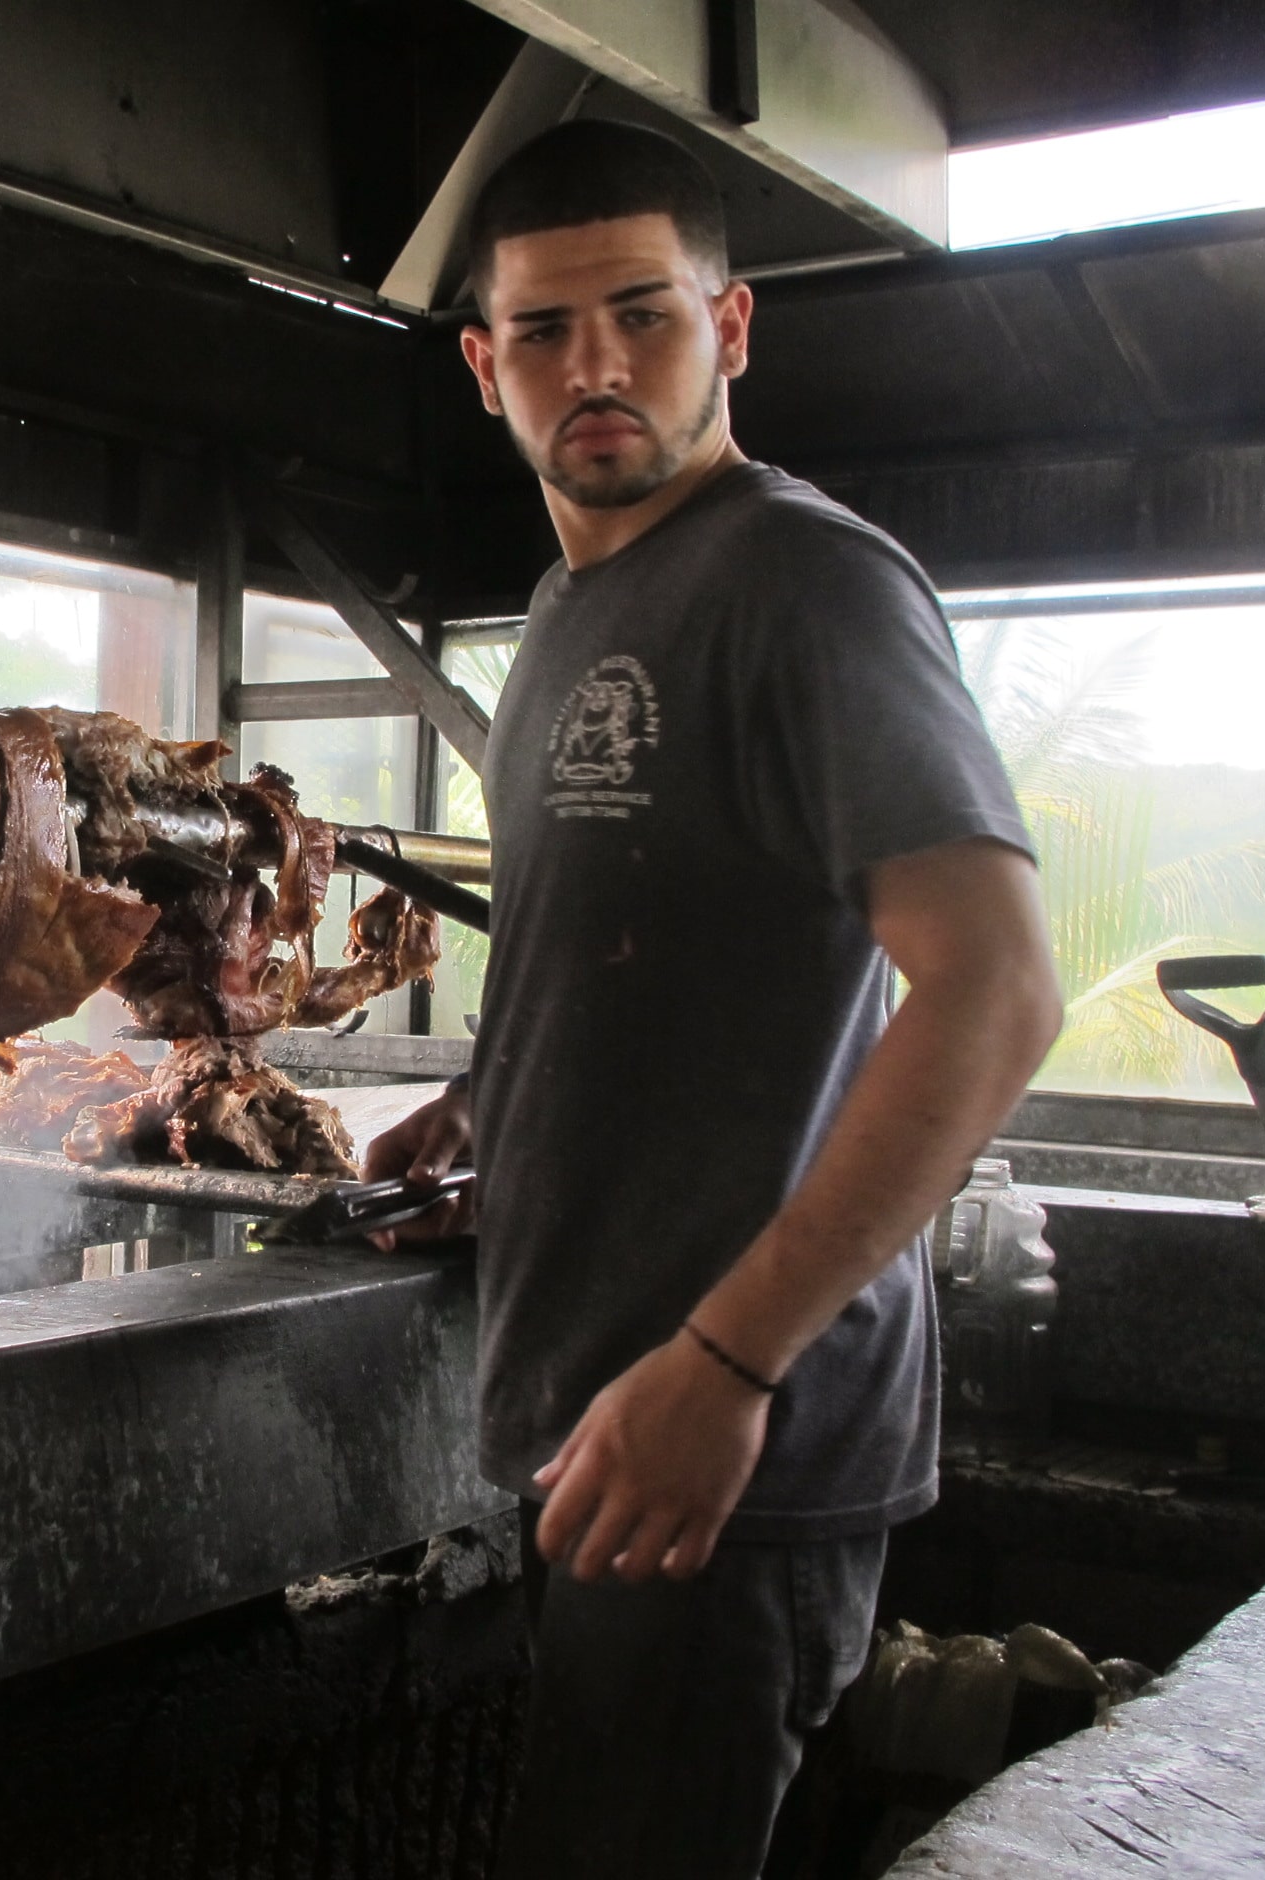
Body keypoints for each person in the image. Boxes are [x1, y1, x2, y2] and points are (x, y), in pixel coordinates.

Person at [362, 120, 1064, 1878]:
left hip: (725, 1447)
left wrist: (729, 1361)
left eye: (641, 314)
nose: (594, 366)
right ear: (485, 364)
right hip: (597, 1417)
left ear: (729, 329)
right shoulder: (569, 609)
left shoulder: (807, 586)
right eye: (544, 330)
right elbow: (636, 943)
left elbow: (996, 990)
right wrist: (490, 1100)